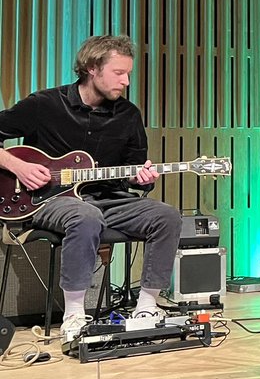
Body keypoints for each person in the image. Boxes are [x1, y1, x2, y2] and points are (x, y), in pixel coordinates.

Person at [0, 35, 182, 342]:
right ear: (92, 69)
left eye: (128, 74)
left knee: (167, 216)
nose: (126, 81)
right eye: (118, 73)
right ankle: (73, 314)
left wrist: (144, 177)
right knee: (85, 217)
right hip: (47, 202)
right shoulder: (44, 105)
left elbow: (136, 170)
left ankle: (147, 307)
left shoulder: (128, 115)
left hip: (109, 200)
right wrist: (18, 166)